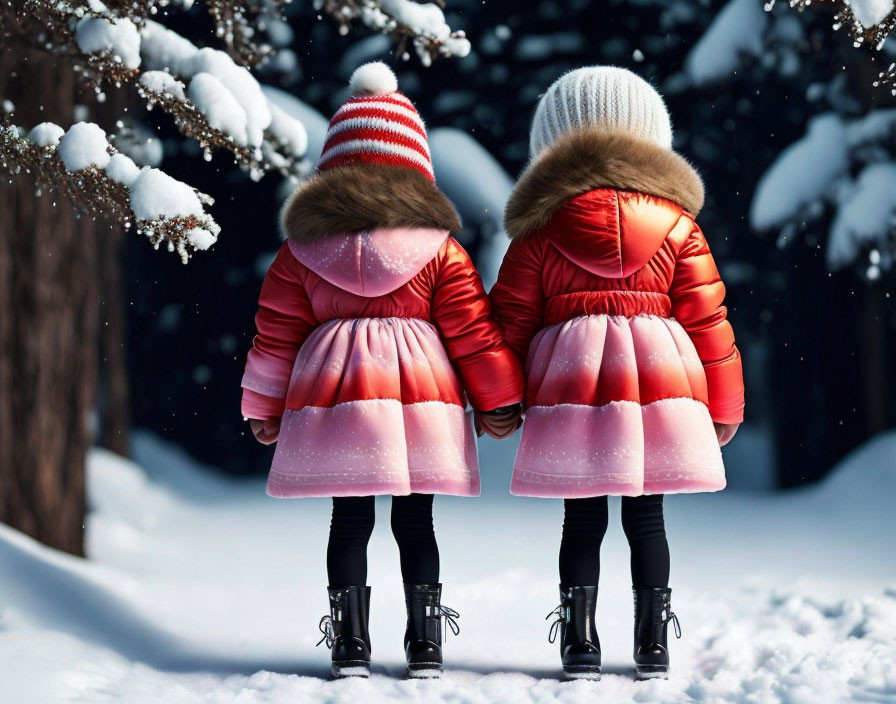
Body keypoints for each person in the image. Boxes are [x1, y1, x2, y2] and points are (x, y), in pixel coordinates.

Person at [240, 62, 523, 679]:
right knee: (415, 520)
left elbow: (277, 334)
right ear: (416, 168)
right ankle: (425, 646)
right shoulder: (440, 250)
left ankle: (350, 647)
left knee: (349, 520)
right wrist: (499, 399)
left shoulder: (302, 252)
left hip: (336, 397)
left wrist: (263, 406)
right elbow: (472, 332)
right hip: (420, 398)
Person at [489, 66, 744, 680]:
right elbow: (709, 319)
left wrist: (497, 398)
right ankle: (652, 644)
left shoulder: (540, 231)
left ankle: (580, 643)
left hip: (570, 382)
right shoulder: (680, 227)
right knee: (646, 516)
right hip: (657, 380)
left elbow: (509, 322)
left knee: (582, 518)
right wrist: (724, 406)